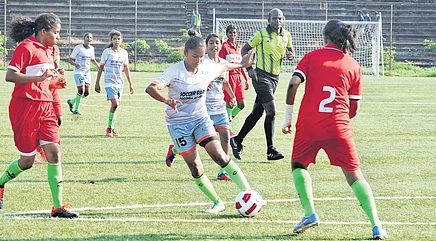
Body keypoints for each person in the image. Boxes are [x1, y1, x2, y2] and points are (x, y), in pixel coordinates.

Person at [280, 19, 388, 239]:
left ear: (325, 38)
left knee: (299, 165)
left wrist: (287, 118)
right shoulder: (353, 66)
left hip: (309, 125)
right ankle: (376, 226)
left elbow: (292, 84)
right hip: (339, 126)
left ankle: (310, 213)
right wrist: (338, 121)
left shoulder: (311, 57)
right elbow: (354, 108)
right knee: (355, 176)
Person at [146, 34, 257, 214]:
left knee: (220, 156)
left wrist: (243, 64)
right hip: (178, 124)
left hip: (200, 119)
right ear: (185, 53)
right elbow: (151, 88)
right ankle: (217, 202)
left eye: (200, 56)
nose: (198, 60)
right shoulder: (174, 72)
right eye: (194, 56)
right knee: (195, 167)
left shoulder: (207, 67)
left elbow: (224, 66)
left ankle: (249, 193)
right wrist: (167, 101)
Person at [0, 13, 78, 218]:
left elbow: (50, 82)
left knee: (54, 153)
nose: (58, 36)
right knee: (27, 161)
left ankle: (58, 207)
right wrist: (39, 77)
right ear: (43, 32)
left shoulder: (54, 51)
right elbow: (10, 76)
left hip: (46, 107)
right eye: (55, 33)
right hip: (24, 107)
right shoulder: (26, 48)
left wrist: (58, 106)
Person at [165, 33, 237, 182]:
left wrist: (232, 96)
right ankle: (174, 149)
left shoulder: (222, 63)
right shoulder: (201, 63)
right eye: (211, 43)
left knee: (225, 135)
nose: (214, 46)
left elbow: (224, 82)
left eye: (217, 43)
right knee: (195, 140)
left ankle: (223, 171)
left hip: (219, 105)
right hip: (202, 108)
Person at [230, 8, 294, 161]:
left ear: (283, 19)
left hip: (275, 78)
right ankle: (270, 150)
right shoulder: (261, 34)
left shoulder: (286, 35)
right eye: (274, 18)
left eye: (280, 18)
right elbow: (244, 49)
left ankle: (237, 140)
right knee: (271, 111)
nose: (277, 21)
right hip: (261, 76)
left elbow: (290, 50)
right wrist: (249, 69)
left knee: (257, 113)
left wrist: (291, 54)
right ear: (268, 20)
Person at [95, 30, 134, 137]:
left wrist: (130, 84)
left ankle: (111, 128)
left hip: (119, 83)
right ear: (111, 40)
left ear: (121, 40)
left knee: (116, 107)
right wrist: (97, 83)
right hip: (109, 82)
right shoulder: (107, 52)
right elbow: (101, 67)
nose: (116, 41)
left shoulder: (124, 53)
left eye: (118, 39)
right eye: (114, 39)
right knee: (115, 104)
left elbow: (126, 68)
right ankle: (108, 129)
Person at [219, 25, 249, 128]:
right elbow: (221, 63)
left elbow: (241, 65)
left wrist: (246, 79)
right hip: (229, 76)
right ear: (227, 34)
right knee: (230, 102)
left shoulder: (240, 47)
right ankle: (227, 125)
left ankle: (227, 119)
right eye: (230, 32)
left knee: (242, 104)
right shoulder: (224, 47)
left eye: (234, 32)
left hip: (238, 77)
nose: (233, 34)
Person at [67, 32, 99, 115]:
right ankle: (76, 110)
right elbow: (70, 59)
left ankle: (71, 101)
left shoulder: (92, 49)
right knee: (81, 90)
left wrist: (99, 66)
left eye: (90, 37)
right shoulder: (78, 48)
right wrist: (75, 64)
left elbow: (92, 59)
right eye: (87, 37)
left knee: (86, 93)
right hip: (79, 72)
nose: (89, 39)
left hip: (87, 72)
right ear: (84, 38)